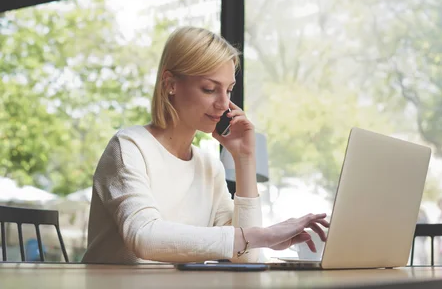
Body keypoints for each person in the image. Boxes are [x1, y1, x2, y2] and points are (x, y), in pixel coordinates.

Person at [82, 27, 329, 264]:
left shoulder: (210, 167)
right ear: (170, 84)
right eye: (210, 89)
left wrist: (244, 158)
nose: (224, 103)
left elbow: (245, 255)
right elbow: (144, 236)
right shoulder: (129, 148)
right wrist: (261, 236)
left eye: (229, 90)